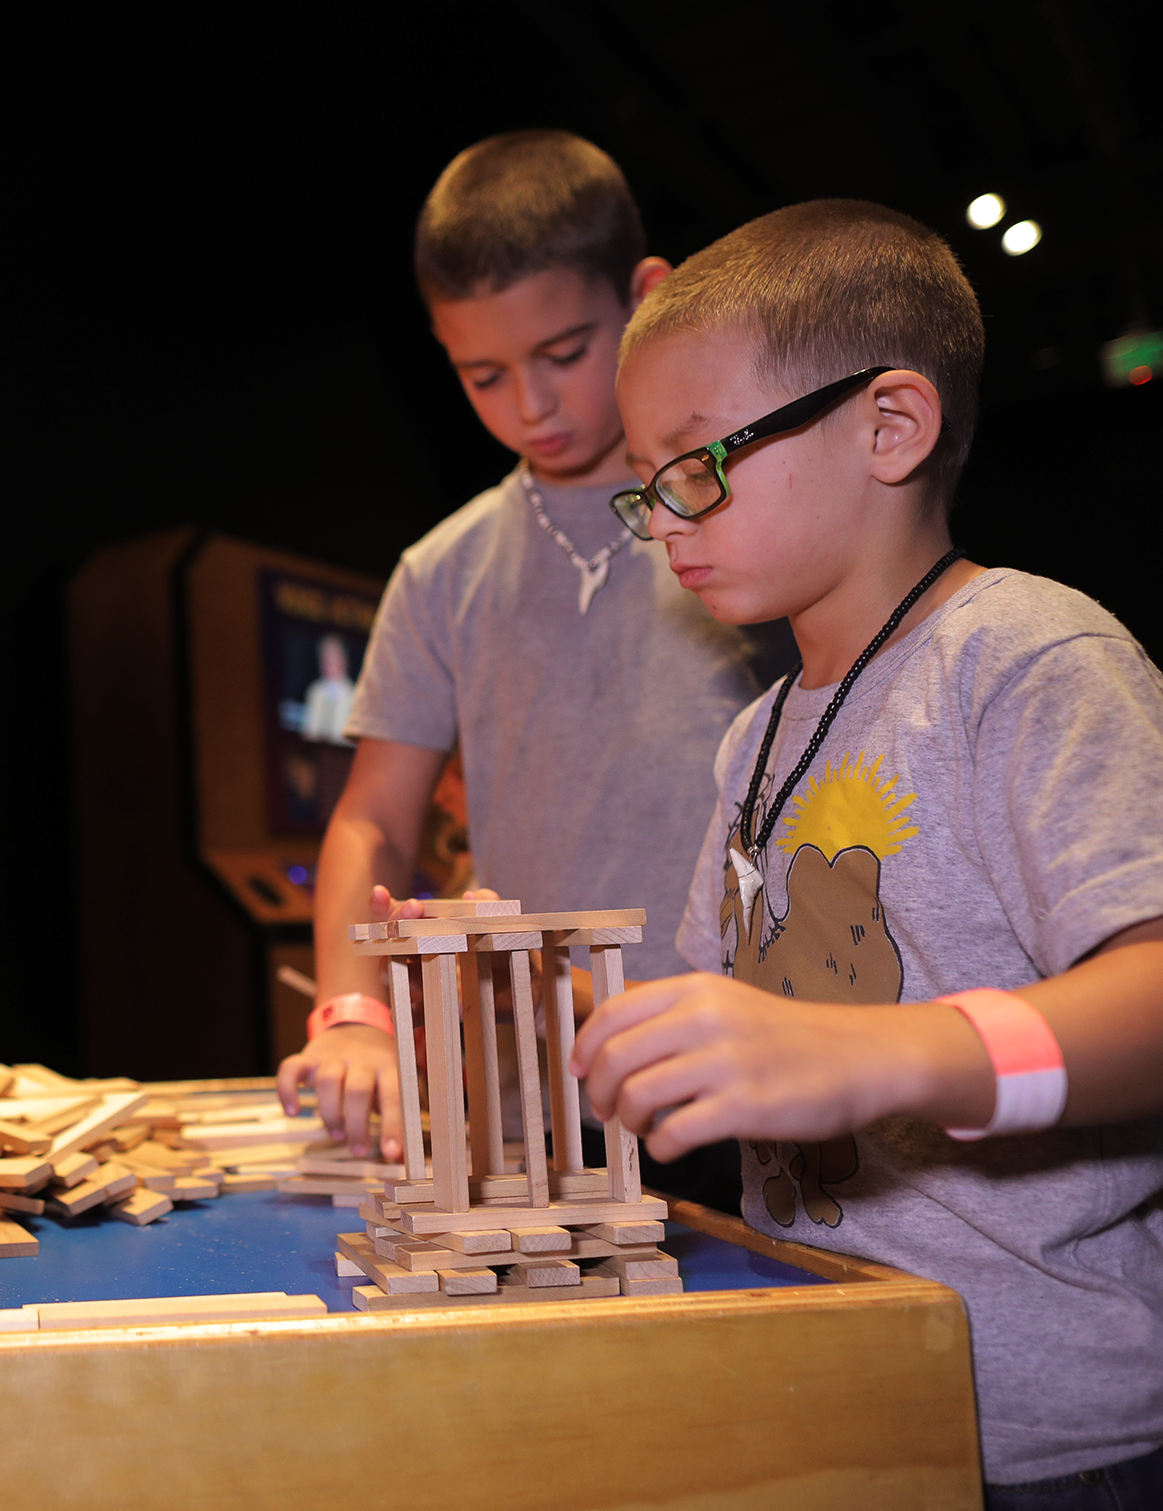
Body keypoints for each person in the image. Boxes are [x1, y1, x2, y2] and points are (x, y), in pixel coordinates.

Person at [576, 198, 1163, 1503]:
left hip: (1043, 1441)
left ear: (890, 424)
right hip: (841, 1392)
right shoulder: (757, 738)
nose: (666, 519)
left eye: (698, 462)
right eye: (648, 483)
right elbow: (714, 1019)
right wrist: (488, 991)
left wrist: (873, 1054)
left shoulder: (1027, 660)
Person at [276, 129, 766, 1216]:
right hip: (545, 1087)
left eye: (564, 351)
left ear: (649, 294)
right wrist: (353, 1015)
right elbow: (371, 820)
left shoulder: (751, 518)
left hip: (752, 1074)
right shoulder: (443, 571)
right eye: (483, 375)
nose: (530, 405)